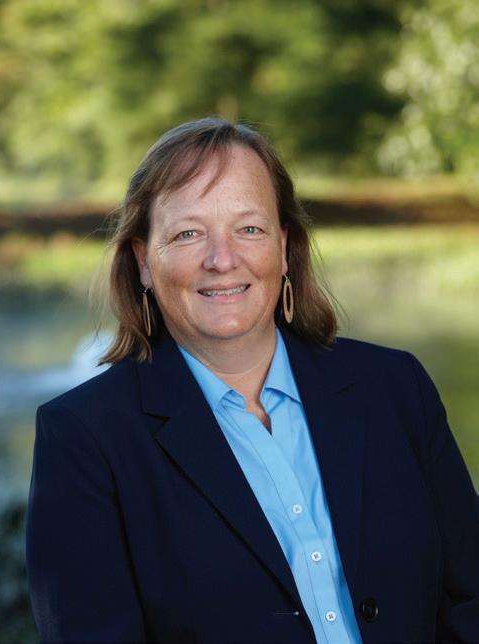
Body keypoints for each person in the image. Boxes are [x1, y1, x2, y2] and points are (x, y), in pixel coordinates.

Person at [26, 117, 479, 644]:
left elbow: (470, 599)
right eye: (188, 233)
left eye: (249, 229)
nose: (222, 260)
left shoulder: (396, 388)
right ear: (143, 260)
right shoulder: (83, 439)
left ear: (284, 248)